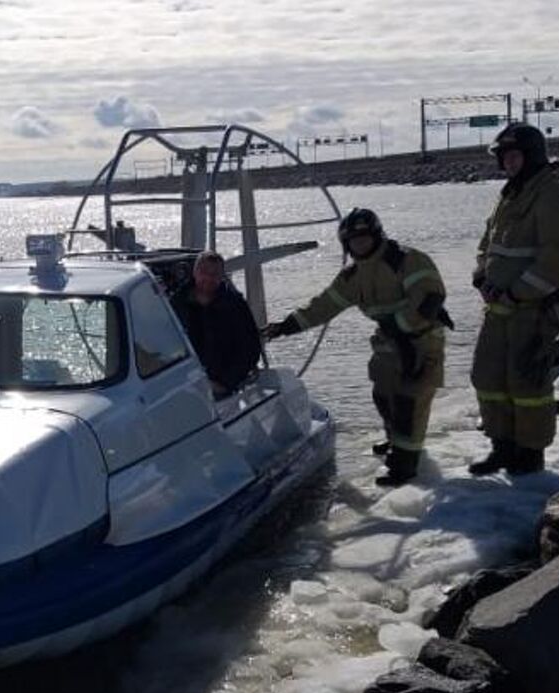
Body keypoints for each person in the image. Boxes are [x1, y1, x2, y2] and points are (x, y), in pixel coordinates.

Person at [262, 208, 450, 487]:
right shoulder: (352, 277)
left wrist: (400, 327)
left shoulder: (406, 260)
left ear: (376, 236)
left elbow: (430, 298)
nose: (359, 244)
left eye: (364, 238)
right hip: (388, 342)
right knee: (383, 395)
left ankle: (406, 465)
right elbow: (323, 306)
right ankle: (396, 441)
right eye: (353, 240)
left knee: (409, 400)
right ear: (346, 244)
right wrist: (284, 326)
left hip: (422, 340)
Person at [468, 122, 559, 476]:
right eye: (504, 158)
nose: (509, 163)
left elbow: (557, 261)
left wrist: (518, 292)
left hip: (533, 312)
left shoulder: (556, 198)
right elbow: (489, 243)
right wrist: (481, 275)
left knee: (527, 384)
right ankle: (502, 445)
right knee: (486, 377)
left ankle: (530, 454)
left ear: (531, 156)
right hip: (498, 310)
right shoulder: (510, 196)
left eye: (514, 156)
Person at [172, 250, 262, 397]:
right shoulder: (176, 304)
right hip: (182, 389)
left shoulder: (235, 305)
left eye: (215, 273)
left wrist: (226, 383)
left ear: (222, 276)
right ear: (195, 272)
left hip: (223, 390)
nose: (208, 277)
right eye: (204, 271)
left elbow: (250, 349)